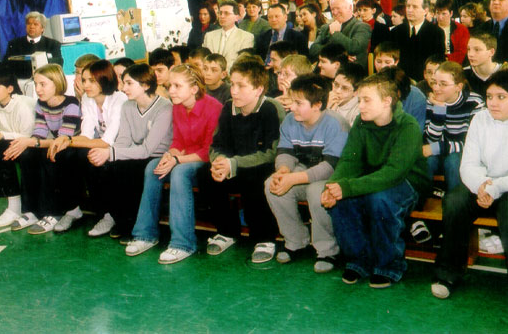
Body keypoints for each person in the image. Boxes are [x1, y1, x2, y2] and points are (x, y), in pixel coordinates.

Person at [431, 69, 508, 328]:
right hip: (486, 184)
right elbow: (468, 166)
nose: (493, 103)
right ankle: (449, 273)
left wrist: (493, 188)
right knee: (454, 201)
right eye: (489, 96)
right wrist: (481, 186)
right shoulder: (480, 119)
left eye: (501, 97)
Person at [321, 73, 429, 289]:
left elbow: (393, 173)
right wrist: (332, 187)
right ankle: (359, 260)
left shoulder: (407, 126)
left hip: (408, 183)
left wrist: (348, 187)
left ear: (387, 101)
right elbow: (349, 160)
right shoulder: (362, 122)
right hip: (372, 179)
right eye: (359, 100)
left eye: (366, 100)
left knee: (379, 200)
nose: (360, 106)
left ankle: (389, 266)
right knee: (342, 202)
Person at [125, 64, 223, 264]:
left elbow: (208, 151)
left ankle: (182, 243)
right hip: (184, 157)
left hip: (204, 161)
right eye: (170, 86)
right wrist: (170, 156)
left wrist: (177, 160)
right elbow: (177, 141)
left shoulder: (214, 108)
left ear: (194, 89)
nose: (171, 91)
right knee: (153, 167)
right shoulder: (178, 107)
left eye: (177, 86)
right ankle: (145, 234)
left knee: (180, 172)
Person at [203, 58, 285, 263]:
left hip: (261, 166)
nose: (234, 91)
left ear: (258, 89)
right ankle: (227, 232)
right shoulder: (228, 108)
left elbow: (271, 152)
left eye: (241, 86)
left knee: (255, 180)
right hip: (233, 164)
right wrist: (219, 162)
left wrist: (234, 164)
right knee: (206, 175)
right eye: (233, 84)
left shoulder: (270, 109)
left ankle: (264, 238)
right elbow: (217, 144)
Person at [266, 74, 349, 272]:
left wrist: (292, 179)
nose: (292, 107)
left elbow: (330, 166)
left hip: (334, 176)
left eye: (298, 103)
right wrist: (283, 171)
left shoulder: (336, 124)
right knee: (272, 185)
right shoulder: (290, 121)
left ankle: (328, 249)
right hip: (303, 171)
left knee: (315, 192)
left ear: (317, 104)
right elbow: (285, 152)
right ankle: (296, 241)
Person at [85, 63, 173, 241]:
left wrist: (111, 153)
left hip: (156, 156)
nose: (123, 88)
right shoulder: (128, 106)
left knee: (128, 170)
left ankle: (132, 223)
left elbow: (148, 149)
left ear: (146, 85)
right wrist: (109, 154)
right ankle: (118, 218)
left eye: (129, 83)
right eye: (123, 83)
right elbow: (124, 140)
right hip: (135, 153)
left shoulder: (165, 108)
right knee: (109, 167)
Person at [3, 64, 82, 233]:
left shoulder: (71, 103)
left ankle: (53, 212)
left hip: (73, 146)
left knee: (52, 155)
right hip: (55, 143)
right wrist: (28, 143)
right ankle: (31, 211)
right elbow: (39, 133)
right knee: (27, 155)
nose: (38, 89)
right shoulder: (41, 104)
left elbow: (62, 139)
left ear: (57, 83)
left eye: (42, 84)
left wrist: (30, 142)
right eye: (36, 84)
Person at [63, 60, 128, 236]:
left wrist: (68, 140)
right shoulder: (87, 98)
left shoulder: (119, 99)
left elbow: (108, 140)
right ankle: (75, 209)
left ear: (105, 79)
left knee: (97, 159)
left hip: (120, 148)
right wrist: (67, 142)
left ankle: (110, 215)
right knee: (71, 155)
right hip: (101, 145)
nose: (86, 85)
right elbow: (86, 134)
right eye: (84, 80)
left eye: (92, 80)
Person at [0, 67, 36, 227]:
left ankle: (15, 207)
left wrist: (1, 136)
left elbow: (30, 136)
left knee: (0, 147)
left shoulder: (23, 106)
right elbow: (0, 133)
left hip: (34, 146)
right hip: (16, 143)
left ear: (10, 88)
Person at [423, 61, 484, 191]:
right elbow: (431, 139)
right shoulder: (431, 102)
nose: (436, 88)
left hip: (462, 154)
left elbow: (474, 144)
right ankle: (421, 203)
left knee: (453, 160)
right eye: (435, 82)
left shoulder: (475, 103)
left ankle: (454, 203)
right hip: (438, 152)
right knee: (427, 161)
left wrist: (438, 147)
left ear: (458, 87)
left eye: (443, 84)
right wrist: (439, 108)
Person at [391, 0, 445, 81]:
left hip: (424, 81)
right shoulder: (395, 32)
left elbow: (437, 62)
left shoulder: (436, 32)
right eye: (408, 6)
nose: (410, 10)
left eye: (415, 7)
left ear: (425, 10)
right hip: (400, 80)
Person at [310, 0, 371, 68]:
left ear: (350, 7)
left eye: (338, 8)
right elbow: (313, 50)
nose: (335, 12)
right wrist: (339, 54)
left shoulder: (362, 27)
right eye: (332, 9)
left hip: (350, 73)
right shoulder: (325, 27)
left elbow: (354, 48)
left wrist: (335, 33)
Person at [203, 0, 255, 68]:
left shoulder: (246, 37)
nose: (222, 16)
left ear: (236, 17)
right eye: (220, 13)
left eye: (226, 13)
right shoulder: (209, 36)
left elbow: (242, 64)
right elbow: (204, 60)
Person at [327, 62, 366, 127]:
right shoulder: (327, 99)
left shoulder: (358, 111)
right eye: (336, 84)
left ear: (356, 92)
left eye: (345, 88)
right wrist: (325, 108)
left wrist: (331, 114)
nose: (337, 91)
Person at [464, 34, 502, 98]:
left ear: (491, 52)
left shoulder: (506, 72)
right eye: (468, 49)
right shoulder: (463, 74)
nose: (470, 54)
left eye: (477, 50)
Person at [434, 0, 470, 64]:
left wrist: (446, 59)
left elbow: (462, 52)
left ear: (451, 13)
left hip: (455, 64)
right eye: (438, 13)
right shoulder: (431, 29)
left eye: (443, 13)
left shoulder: (461, 29)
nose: (440, 17)